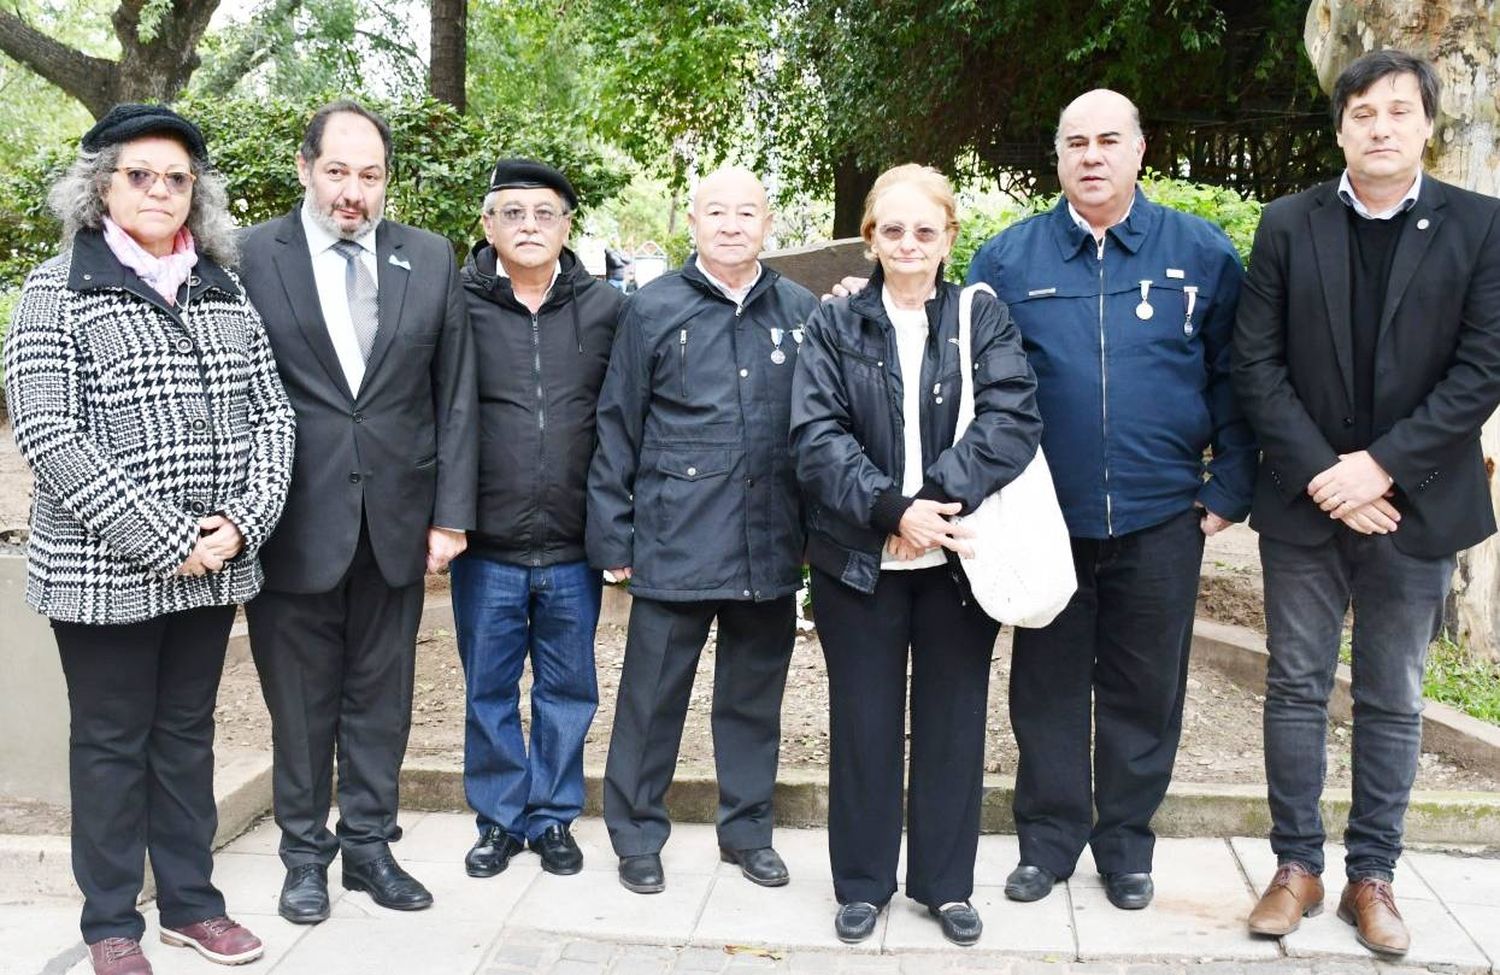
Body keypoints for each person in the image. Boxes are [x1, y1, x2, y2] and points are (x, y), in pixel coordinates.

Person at [3, 104, 295, 975]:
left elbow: (273, 415)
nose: (161, 190)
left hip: (213, 565)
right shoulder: (56, 290)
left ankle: (191, 905)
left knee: (186, 735)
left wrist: (244, 518)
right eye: (141, 174)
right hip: (104, 569)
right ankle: (108, 922)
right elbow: (51, 436)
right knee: (109, 740)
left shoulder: (222, 285)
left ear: (194, 192)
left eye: (177, 177)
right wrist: (169, 536)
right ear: (101, 184)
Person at [1234, 50, 1500, 957]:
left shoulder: (1480, 226)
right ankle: (1296, 866)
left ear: (1428, 123)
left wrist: (1379, 468)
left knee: (1392, 696)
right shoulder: (1285, 224)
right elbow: (1256, 364)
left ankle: (1372, 875)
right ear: (1340, 127)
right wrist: (1327, 476)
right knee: (1296, 687)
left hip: (1417, 505)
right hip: (1305, 505)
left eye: (1398, 112)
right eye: (1362, 114)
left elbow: (1482, 370)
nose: (1380, 127)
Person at [966, 89, 1256, 909]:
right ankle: (1048, 840)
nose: (1090, 156)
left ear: (1139, 151)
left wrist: (1229, 485)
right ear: (1057, 158)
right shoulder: (1008, 260)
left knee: (1145, 689)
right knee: (1047, 685)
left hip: (1164, 513)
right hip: (1044, 520)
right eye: (1074, 143)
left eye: (1107, 141)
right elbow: (975, 384)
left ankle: (1126, 846)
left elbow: (1238, 375)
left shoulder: (1199, 253)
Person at [238, 100, 478, 922]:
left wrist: (450, 516)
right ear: (305, 168)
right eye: (337, 171)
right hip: (291, 521)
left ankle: (370, 847)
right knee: (300, 706)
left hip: (398, 526)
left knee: (384, 696)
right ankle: (304, 856)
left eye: (369, 175)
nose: (352, 192)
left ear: (386, 181)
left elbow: (456, 397)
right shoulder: (246, 257)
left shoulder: (432, 258)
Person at [789, 164, 1041, 945]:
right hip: (857, 558)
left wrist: (932, 504)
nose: (908, 243)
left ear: (948, 238)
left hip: (954, 560)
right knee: (863, 724)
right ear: (870, 237)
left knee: (953, 722)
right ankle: (863, 882)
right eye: (892, 230)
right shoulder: (833, 325)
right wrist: (889, 509)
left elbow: (1012, 416)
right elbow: (814, 434)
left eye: (924, 230)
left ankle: (945, 884)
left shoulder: (981, 315)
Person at [587, 166, 817, 896]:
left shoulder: (802, 311)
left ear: (767, 222)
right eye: (715, 211)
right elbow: (616, 426)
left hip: (770, 537)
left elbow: (820, 431)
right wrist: (614, 537)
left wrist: (818, 533)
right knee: (652, 698)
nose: (730, 224)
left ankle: (747, 832)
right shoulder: (651, 309)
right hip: (673, 535)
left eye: (745, 211)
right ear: (692, 221)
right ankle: (636, 833)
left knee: (753, 697)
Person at [453, 158, 621, 878]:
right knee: (488, 689)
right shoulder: (455, 304)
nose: (528, 225)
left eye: (543, 212)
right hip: (485, 545)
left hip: (572, 547)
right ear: (488, 225)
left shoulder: (608, 309)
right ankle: (498, 818)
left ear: (566, 225)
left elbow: (624, 422)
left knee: (567, 688)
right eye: (512, 212)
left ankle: (552, 816)